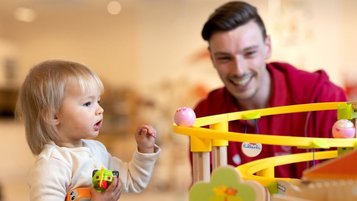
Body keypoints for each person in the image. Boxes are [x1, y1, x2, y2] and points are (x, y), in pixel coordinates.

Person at [193, 1, 347, 179]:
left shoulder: (322, 98)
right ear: (211, 58)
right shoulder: (206, 115)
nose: (239, 70)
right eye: (224, 58)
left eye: (249, 53)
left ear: (267, 47)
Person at [16, 59, 161, 201]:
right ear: (54, 115)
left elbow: (132, 180)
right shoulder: (51, 166)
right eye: (87, 103)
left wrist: (145, 150)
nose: (100, 110)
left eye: (98, 101)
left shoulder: (97, 151)